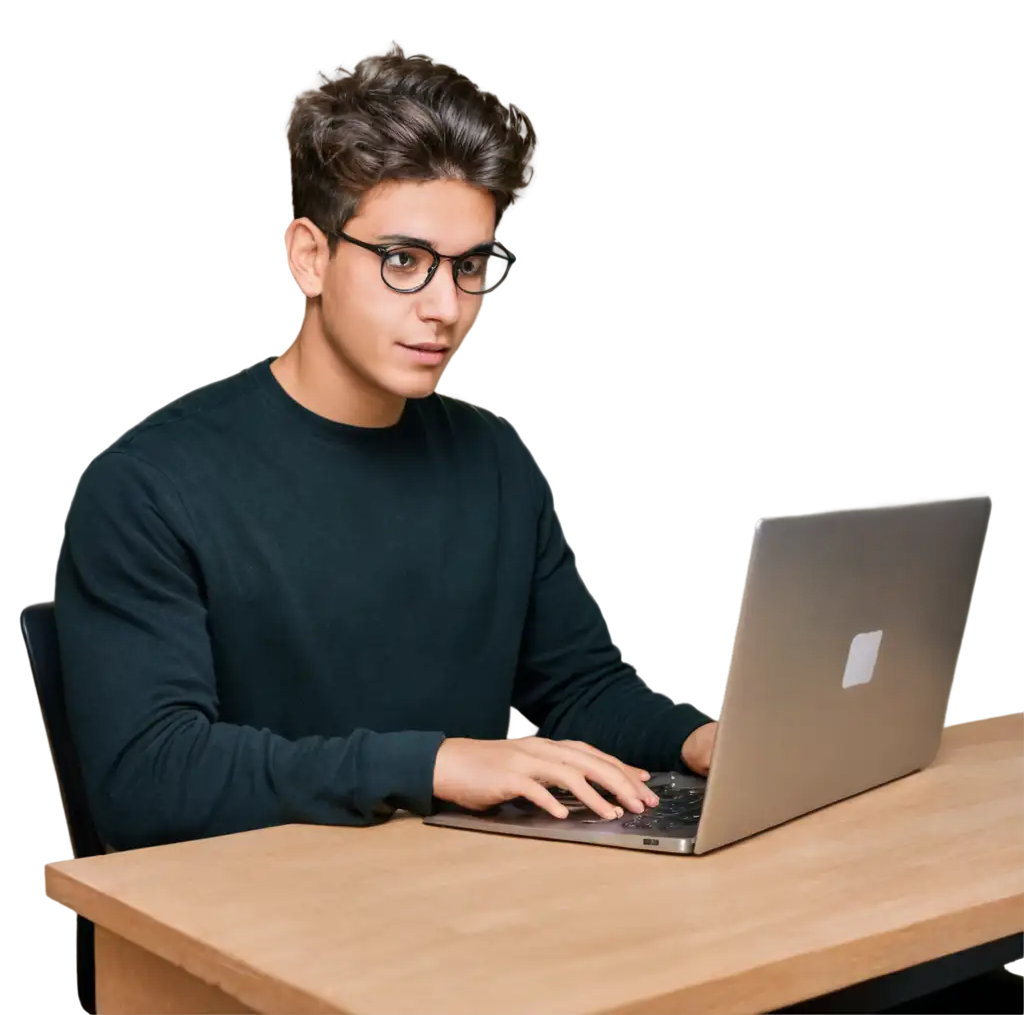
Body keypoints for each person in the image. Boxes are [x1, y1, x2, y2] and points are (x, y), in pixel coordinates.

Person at [53, 54, 718, 852]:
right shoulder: (148, 488)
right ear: (306, 257)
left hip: (457, 895)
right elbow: (148, 779)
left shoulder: (489, 460)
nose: (445, 308)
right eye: (403, 261)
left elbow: (579, 689)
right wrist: (433, 763)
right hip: (254, 914)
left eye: (470, 266)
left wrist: (701, 743)